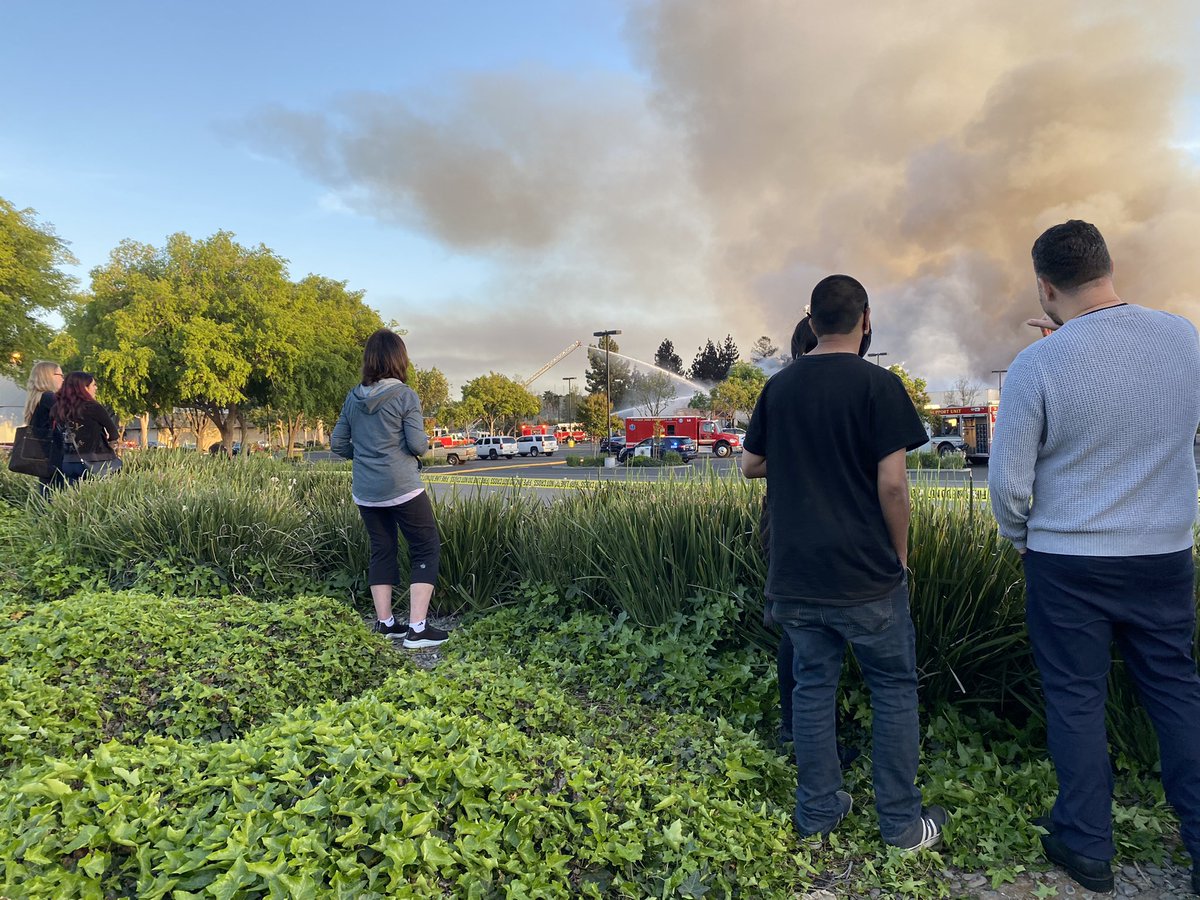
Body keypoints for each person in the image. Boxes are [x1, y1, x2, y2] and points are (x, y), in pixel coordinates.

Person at [989, 220, 1200, 896]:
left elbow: (1009, 484)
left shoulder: (1039, 364)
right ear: (1107, 267)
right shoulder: (1184, 339)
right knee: (1175, 691)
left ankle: (1086, 846)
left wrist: (1022, 534)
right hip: (1163, 554)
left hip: (1066, 562)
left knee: (1077, 699)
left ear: (1045, 287)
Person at [742, 274, 945, 852]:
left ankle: (818, 812)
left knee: (811, 688)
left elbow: (750, 466)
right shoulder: (880, 386)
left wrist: (800, 451)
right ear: (866, 319)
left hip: (797, 573)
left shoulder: (779, 389)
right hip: (867, 576)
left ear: (810, 320)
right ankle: (902, 825)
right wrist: (900, 556)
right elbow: (893, 487)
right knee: (894, 690)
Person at [331, 328, 449, 650]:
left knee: (381, 549)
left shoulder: (353, 397)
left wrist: (366, 458)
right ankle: (417, 628)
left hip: (366, 490)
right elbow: (418, 445)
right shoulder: (405, 395)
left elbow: (338, 443)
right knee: (425, 547)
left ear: (369, 359)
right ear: (399, 359)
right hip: (402, 486)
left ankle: (385, 624)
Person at [50, 372, 120, 484]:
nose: (96, 388)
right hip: (96, 461)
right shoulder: (93, 407)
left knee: (75, 497)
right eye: (93, 385)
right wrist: (110, 444)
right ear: (84, 388)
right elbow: (114, 433)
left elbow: (56, 436)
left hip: (69, 462)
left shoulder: (57, 409)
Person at [22, 360, 64, 491]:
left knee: (47, 493)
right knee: (55, 495)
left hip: (44, 456)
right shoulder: (48, 397)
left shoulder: (38, 398)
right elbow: (68, 417)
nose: (63, 379)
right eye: (60, 375)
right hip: (54, 456)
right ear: (48, 376)